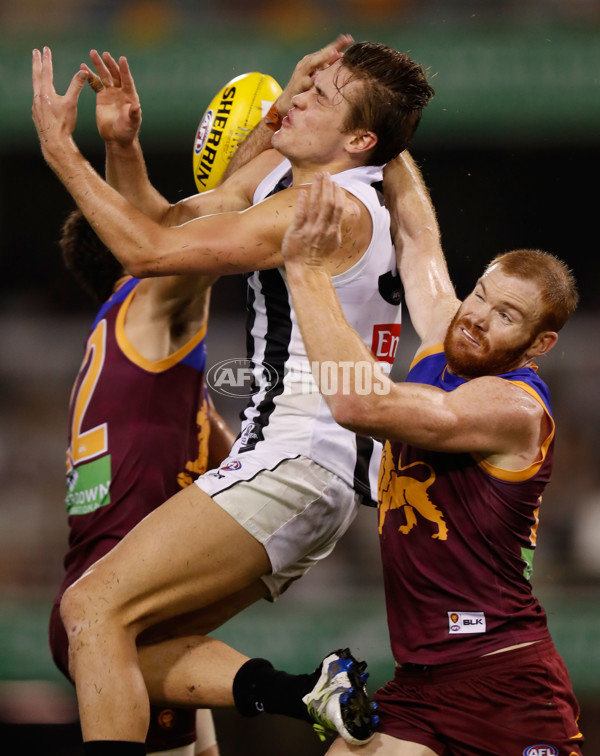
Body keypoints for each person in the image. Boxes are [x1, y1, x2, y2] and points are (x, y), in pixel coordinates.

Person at [32, 36, 434, 753]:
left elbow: (148, 253)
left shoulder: (319, 206)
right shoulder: (317, 189)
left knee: (89, 605)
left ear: (358, 139)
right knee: (132, 635)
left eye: (321, 94)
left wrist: (61, 151)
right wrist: (125, 151)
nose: (298, 96)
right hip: (310, 469)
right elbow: (194, 217)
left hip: (299, 460)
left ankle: (307, 691)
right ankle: (306, 691)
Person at [278, 163, 584, 755]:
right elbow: (419, 239)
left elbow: (358, 402)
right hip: (421, 682)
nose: (476, 317)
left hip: (506, 682)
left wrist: (305, 268)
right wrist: (385, 131)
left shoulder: (514, 408)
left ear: (540, 344)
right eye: (481, 294)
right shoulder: (454, 335)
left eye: (506, 316)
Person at [49, 207, 235, 756]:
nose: (174, 227)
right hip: (123, 609)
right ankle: (299, 693)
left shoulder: (116, 350)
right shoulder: (145, 306)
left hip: (112, 593)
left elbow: (231, 460)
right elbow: (219, 234)